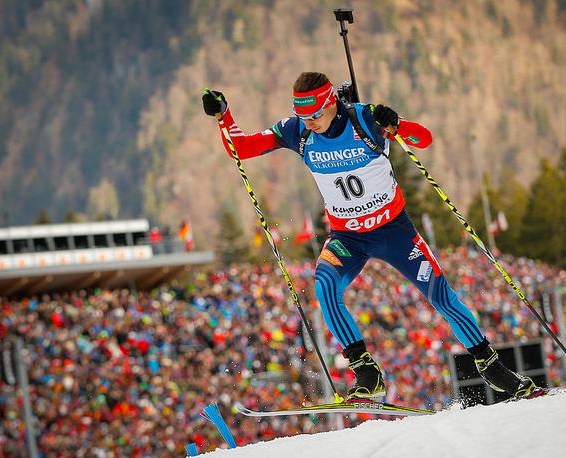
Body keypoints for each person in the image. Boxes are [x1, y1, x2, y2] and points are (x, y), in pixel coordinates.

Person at [202, 72, 543, 401]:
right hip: (348, 237)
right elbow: (240, 148)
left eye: (315, 114)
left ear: (332, 102)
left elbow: (423, 139)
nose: (309, 122)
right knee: (324, 288)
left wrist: (397, 124)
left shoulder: (365, 120)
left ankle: (492, 366)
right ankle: (366, 372)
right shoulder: (298, 131)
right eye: (302, 115)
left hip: (394, 231)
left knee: (441, 295)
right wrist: (223, 115)